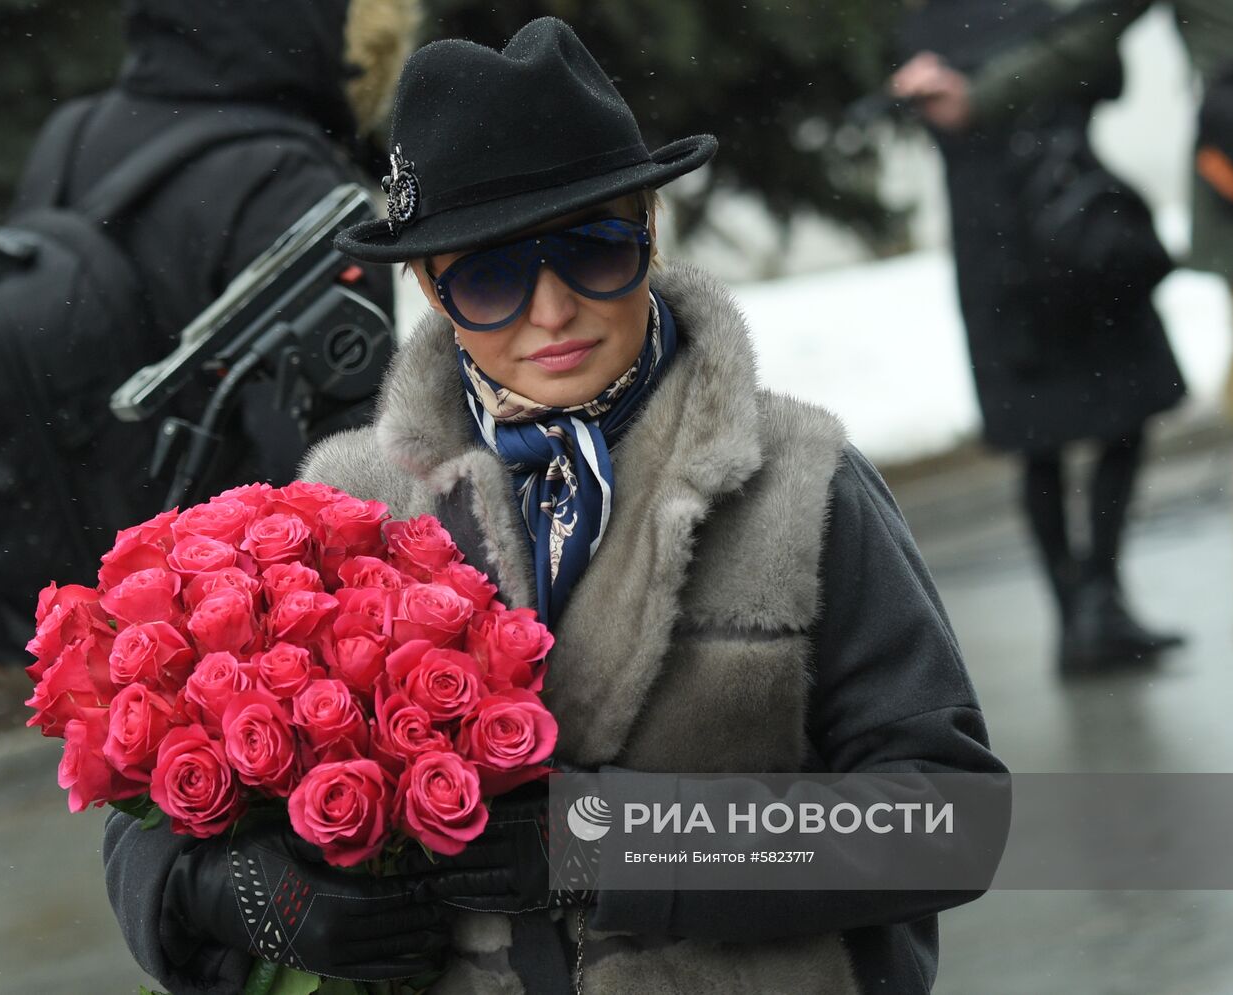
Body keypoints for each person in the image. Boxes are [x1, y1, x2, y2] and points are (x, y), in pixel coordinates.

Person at [104, 18, 1008, 994]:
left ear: (649, 229)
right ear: (428, 285)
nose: (550, 309)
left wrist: (611, 844)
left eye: (592, 247)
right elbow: (142, 801)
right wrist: (247, 896)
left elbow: (945, 822)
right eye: (489, 275)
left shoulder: (798, 480)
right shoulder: (343, 505)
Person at [890, 0, 1233, 636]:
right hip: (1063, 233)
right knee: (1073, 430)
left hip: (1045, 240)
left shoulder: (947, 21)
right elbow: (1099, 76)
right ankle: (1092, 604)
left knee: (1080, 429)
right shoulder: (962, 19)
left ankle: (1088, 606)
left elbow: (1097, 72)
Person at [13, 0, 418, 487]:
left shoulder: (71, 131)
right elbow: (336, 485)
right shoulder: (290, 183)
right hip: (202, 555)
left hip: (78, 540)